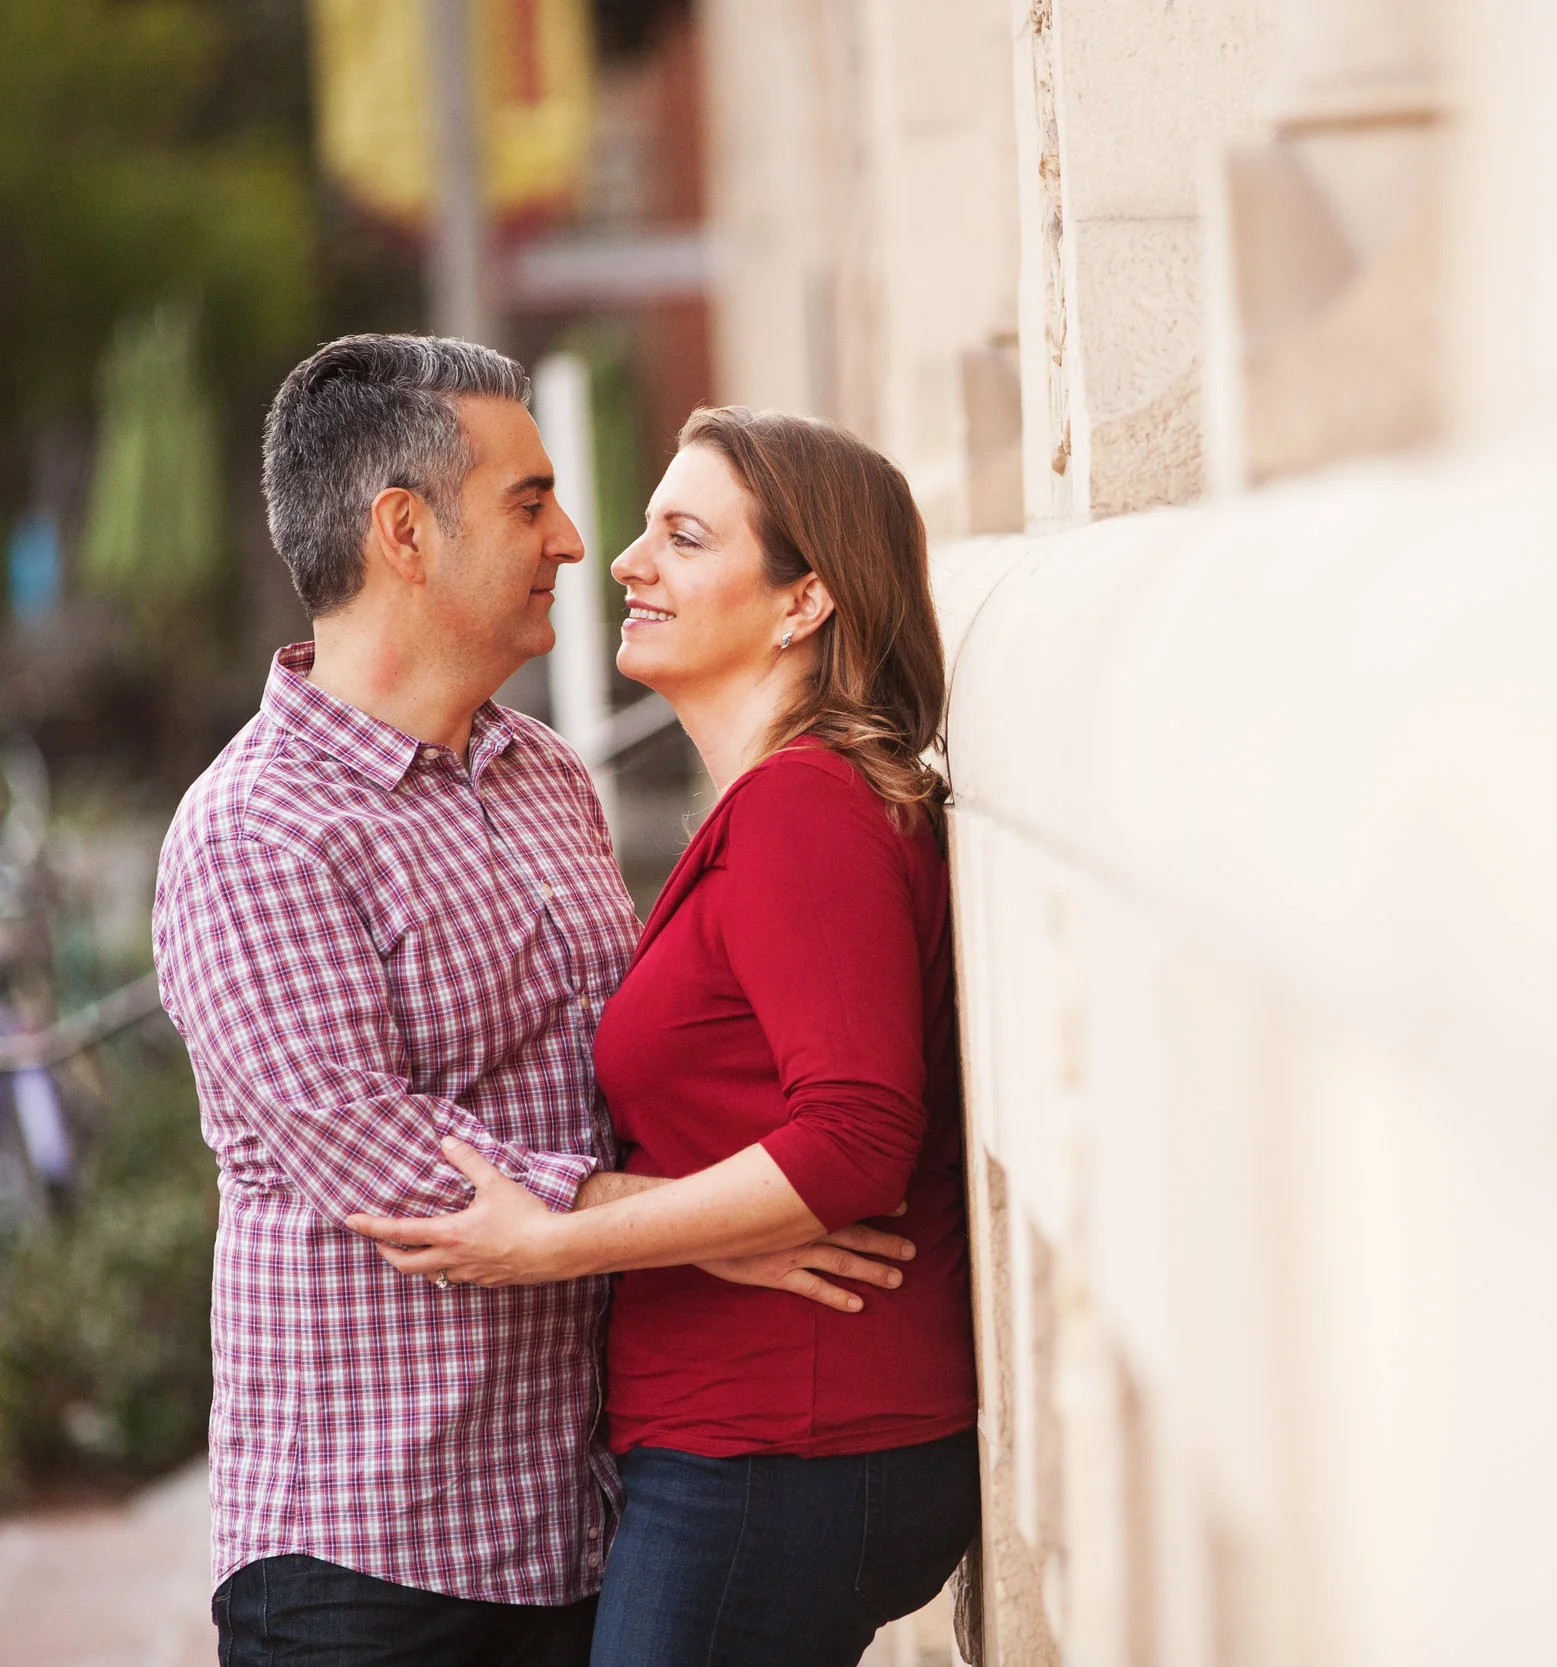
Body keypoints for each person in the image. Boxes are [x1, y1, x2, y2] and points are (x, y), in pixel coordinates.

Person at [155, 338, 910, 1666]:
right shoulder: (253, 830)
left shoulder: (548, 773)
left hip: (586, 1521)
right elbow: (406, 1177)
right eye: (529, 501)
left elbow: (629, 1083)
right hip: (369, 1559)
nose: (574, 539)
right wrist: (698, 1225)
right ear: (403, 530)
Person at [343, 407, 981, 1667]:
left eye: (684, 538)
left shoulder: (807, 806)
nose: (625, 561)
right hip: (760, 1444)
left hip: (785, 1445)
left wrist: (561, 1240)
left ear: (804, 604)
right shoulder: (776, 804)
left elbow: (853, 1135)